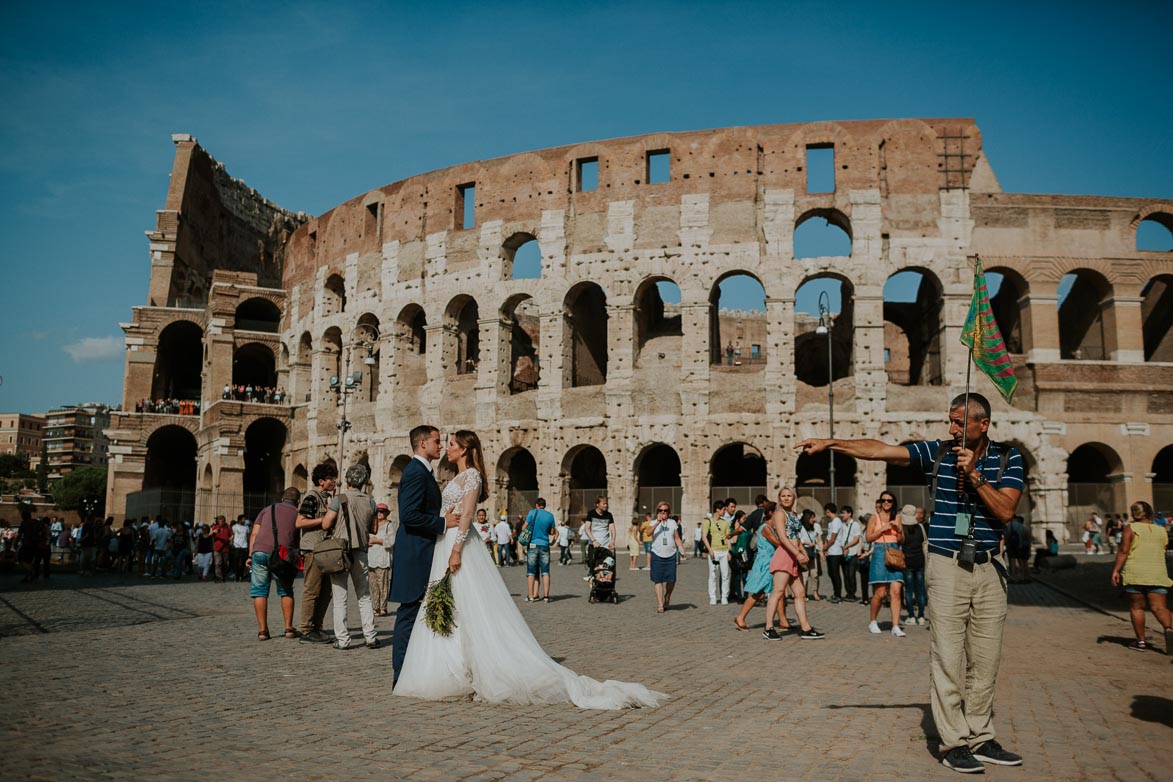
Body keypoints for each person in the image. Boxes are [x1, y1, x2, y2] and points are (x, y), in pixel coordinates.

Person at [797, 392, 1025, 773]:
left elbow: (1006, 509)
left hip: (990, 567)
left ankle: (981, 736)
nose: (951, 429)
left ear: (982, 425)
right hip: (947, 564)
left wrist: (975, 476)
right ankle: (954, 742)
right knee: (948, 656)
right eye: (949, 421)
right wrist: (831, 443)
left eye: (959, 423)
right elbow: (881, 451)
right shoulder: (938, 452)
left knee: (986, 659)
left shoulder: (1008, 457)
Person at [393, 430, 664, 709]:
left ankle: (464, 668)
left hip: (455, 545)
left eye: (449, 444)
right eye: (442, 442)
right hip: (443, 542)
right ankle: (452, 667)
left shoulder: (471, 476)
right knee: (454, 607)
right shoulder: (452, 476)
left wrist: (456, 550)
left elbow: (467, 516)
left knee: (468, 607)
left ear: (464, 450)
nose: (445, 448)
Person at [390, 425, 459, 685]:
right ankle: (400, 674)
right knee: (409, 613)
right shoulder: (416, 473)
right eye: (437, 441)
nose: (440, 446)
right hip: (415, 553)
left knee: (418, 611)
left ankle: (415, 670)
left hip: (423, 551)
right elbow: (409, 515)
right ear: (422, 444)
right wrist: (442, 523)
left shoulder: (422, 472)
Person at [320, 464, 380, 650]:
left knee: (340, 598)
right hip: (360, 551)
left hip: (341, 551)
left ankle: (343, 640)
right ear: (364, 482)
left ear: (347, 480)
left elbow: (325, 524)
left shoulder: (340, 499)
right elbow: (375, 529)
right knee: (364, 596)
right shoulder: (370, 501)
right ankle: (370, 636)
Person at [761, 488, 825, 641]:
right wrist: (797, 553)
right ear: (779, 498)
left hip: (794, 555)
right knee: (778, 591)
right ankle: (768, 628)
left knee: (800, 593)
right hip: (785, 555)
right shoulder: (779, 514)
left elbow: (796, 537)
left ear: (794, 498)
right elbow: (783, 538)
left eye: (789, 496)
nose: (786, 498)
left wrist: (802, 551)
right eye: (783, 496)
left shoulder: (794, 515)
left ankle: (806, 628)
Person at [1110, 500, 1172, 653]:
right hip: (1157, 572)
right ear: (1150, 512)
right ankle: (1169, 629)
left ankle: (1141, 641)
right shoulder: (1161, 530)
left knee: (1137, 607)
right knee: (1160, 607)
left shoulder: (1130, 528)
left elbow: (1124, 551)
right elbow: (1163, 550)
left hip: (1135, 572)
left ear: (1133, 514)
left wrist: (1116, 570)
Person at [246, 487, 301, 640]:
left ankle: (263, 631)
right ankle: (289, 629)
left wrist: (250, 555)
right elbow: (296, 539)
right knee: (286, 590)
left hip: (259, 552)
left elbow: (255, 534)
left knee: (259, 591)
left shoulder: (267, 509)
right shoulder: (297, 514)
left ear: (282, 498)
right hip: (282, 555)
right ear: (298, 501)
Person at [294, 462, 338, 644]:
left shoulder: (326, 497)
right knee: (312, 590)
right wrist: (323, 519)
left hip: (325, 550)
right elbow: (300, 522)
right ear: (321, 481)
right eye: (331, 479)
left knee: (326, 591)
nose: (334, 481)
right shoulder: (311, 498)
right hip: (313, 550)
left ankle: (317, 626)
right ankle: (306, 629)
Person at [733, 501, 790, 631]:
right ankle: (741, 617)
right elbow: (778, 543)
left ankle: (783, 621)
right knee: (759, 593)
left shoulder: (772, 527)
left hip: (771, 562)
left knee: (778, 591)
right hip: (764, 564)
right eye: (778, 511)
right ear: (771, 513)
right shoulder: (765, 528)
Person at [866, 492, 906, 637]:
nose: (886, 502)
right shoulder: (873, 517)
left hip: (895, 552)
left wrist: (899, 529)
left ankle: (895, 625)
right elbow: (868, 537)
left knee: (896, 591)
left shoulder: (898, 518)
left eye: (889, 500)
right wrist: (882, 529)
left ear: (893, 502)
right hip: (879, 552)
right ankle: (873, 621)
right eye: (883, 500)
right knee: (880, 592)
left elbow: (902, 540)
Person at [648, 503, 686, 612]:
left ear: (669, 512)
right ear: (657, 511)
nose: (663, 512)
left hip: (671, 555)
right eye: (661, 510)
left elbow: (677, 538)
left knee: (671, 580)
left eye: (665, 510)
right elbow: (648, 533)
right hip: (657, 554)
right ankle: (660, 604)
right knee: (658, 580)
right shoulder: (653, 522)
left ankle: (667, 596)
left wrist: (681, 549)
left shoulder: (672, 522)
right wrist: (657, 523)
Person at [523, 498, 557, 603]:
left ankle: (531, 596)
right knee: (545, 571)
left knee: (531, 572)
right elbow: (552, 531)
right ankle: (546, 596)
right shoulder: (550, 516)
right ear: (544, 505)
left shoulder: (532, 513)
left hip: (533, 544)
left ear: (537, 505)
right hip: (545, 545)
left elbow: (524, 528)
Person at [900, 504, 928, 626]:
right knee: (920, 591)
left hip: (907, 563)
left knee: (908, 591)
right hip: (920, 562)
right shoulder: (921, 528)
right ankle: (921, 616)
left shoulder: (902, 530)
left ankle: (911, 616)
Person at [702, 500, 733, 605]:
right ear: (717, 510)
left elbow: (728, 537)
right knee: (713, 575)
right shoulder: (708, 522)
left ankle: (724, 596)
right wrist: (710, 550)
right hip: (714, 551)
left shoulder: (725, 522)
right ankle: (713, 597)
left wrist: (729, 551)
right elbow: (704, 537)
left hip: (724, 551)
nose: (725, 511)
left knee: (725, 575)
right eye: (724, 509)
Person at [368, 503, 395, 617]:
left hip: (383, 558)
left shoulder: (389, 526)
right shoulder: (371, 525)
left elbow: (391, 542)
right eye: (378, 511)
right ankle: (375, 607)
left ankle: (383, 607)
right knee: (373, 585)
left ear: (386, 513)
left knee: (383, 585)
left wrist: (377, 540)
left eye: (382, 511)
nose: (379, 513)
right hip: (371, 558)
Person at [797, 509, 823, 601]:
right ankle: (804, 593)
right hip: (804, 552)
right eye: (811, 518)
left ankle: (815, 592)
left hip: (813, 552)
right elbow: (798, 540)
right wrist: (806, 542)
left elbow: (818, 539)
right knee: (804, 575)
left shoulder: (814, 527)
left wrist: (821, 551)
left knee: (814, 574)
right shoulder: (800, 527)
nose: (813, 520)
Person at [1005, 515, 1031, 583]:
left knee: (1013, 561)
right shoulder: (1022, 526)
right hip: (1020, 546)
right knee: (1021, 561)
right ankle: (1023, 576)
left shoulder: (1010, 525)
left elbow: (1007, 535)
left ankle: (1013, 576)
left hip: (1012, 545)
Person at [211, 516, 232, 583]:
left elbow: (232, 535)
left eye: (222, 521)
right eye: (220, 521)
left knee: (225, 563)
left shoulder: (228, 527)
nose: (221, 522)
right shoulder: (215, 527)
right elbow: (209, 535)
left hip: (225, 548)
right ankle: (219, 577)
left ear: (224, 521)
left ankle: (223, 576)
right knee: (218, 563)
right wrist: (213, 531)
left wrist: (231, 538)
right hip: (217, 548)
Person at [230, 515, 250, 582]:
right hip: (237, 546)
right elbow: (232, 535)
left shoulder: (246, 527)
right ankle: (237, 576)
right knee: (236, 562)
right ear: (239, 520)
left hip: (244, 546)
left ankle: (242, 575)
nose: (244, 521)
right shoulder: (234, 527)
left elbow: (247, 536)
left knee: (244, 562)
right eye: (243, 519)